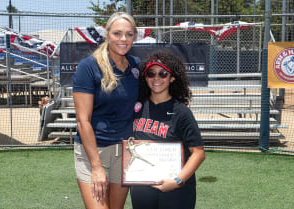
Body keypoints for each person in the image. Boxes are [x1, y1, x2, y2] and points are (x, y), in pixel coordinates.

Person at [72, 12, 140, 209]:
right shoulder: (89, 67)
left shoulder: (136, 66)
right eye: (117, 33)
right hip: (94, 152)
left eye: (128, 34)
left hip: (124, 151)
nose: (123, 39)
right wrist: (96, 166)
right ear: (107, 34)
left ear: (134, 37)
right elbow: (82, 121)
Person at [130, 50, 205, 209]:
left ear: (171, 78)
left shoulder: (181, 112)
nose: (157, 78)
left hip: (175, 190)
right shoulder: (137, 107)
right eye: (151, 73)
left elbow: (198, 153)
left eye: (163, 73)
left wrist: (177, 181)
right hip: (142, 186)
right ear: (146, 77)